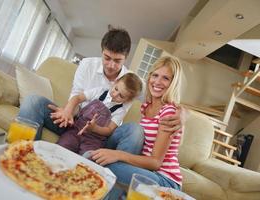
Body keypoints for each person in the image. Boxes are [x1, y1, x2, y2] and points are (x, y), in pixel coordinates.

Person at [18, 27, 182, 157]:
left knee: (135, 131)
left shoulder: (133, 82)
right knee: (34, 102)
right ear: (102, 51)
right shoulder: (87, 65)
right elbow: (77, 95)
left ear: (126, 58)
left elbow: (161, 90)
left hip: (101, 136)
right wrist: (67, 111)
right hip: (75, 123)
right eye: (107, 58)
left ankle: (102, 171)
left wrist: (184, 114)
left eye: (117, 61)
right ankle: (21, 155)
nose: (111, 65)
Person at [90, 56, 183, 198]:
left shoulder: (169, 112)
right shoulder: (146, 107)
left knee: (98, 162)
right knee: (129, 132)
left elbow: (155, 162)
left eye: (165, 78)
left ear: (173, 83)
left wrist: (117, 155)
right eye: (155, 75)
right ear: (149, 77)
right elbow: (129, 84)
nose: (157, 82)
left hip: (164, 180)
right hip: (146, 171)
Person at [56, 73, 142, 156]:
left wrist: (95, 128)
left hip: (94, 140)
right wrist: (68, 110)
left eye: (121, 96)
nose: (115, 95)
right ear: (115, 82)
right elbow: (77, 98)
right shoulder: (99, 91)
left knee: (89, 157)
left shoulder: (120, 110)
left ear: (128, 100)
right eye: (116, 89)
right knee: (64, 144)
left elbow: (109, 130)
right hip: (76, 130)